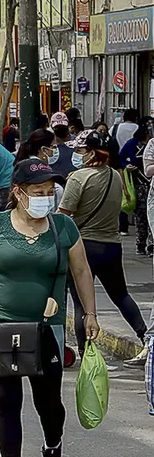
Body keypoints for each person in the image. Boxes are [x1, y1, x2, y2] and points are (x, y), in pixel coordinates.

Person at [0, 158, 100, 457]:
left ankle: (53, 447)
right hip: (2, 329)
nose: (44, 197)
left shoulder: (64, 227)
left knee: (49, 402)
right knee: (7, 402)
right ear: (18, 192)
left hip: (48, 330)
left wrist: (90, 314)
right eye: (36, 191)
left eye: (48, 191)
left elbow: (81, 272)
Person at [59, 130, 148, 357]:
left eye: (79, 150)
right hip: (111, 246)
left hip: (83, 247)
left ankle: (85, 352)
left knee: (81, 304)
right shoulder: (115, 176)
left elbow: (62, 215)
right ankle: (145, 336)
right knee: (120, 295)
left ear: (90, 153)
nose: (76, 154)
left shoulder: (78, 178)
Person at [121, 122, 151, 256]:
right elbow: (120, 157)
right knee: (140, 216)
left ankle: (151, 245)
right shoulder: (132, 144)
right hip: (138, 183)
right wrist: (126, 165)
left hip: (151, 183)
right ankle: (141, 243)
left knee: (151, 216)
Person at [48, 112, 75, 178]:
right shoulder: (48, 143)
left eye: (63, 127)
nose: (60, 129)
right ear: (52, 127)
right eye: (57, 127)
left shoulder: (76, 141)